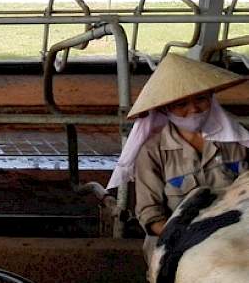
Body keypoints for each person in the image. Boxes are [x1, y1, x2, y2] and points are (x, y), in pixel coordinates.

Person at [107, 53, 249, 264]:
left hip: (236, 233)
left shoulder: (237, 141)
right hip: (177, 237)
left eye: (200, 99)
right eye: (181, 104)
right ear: (165, 108)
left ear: (211, 97)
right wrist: (185, 239)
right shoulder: (152, 151)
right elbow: (150, 213)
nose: (193, 109)